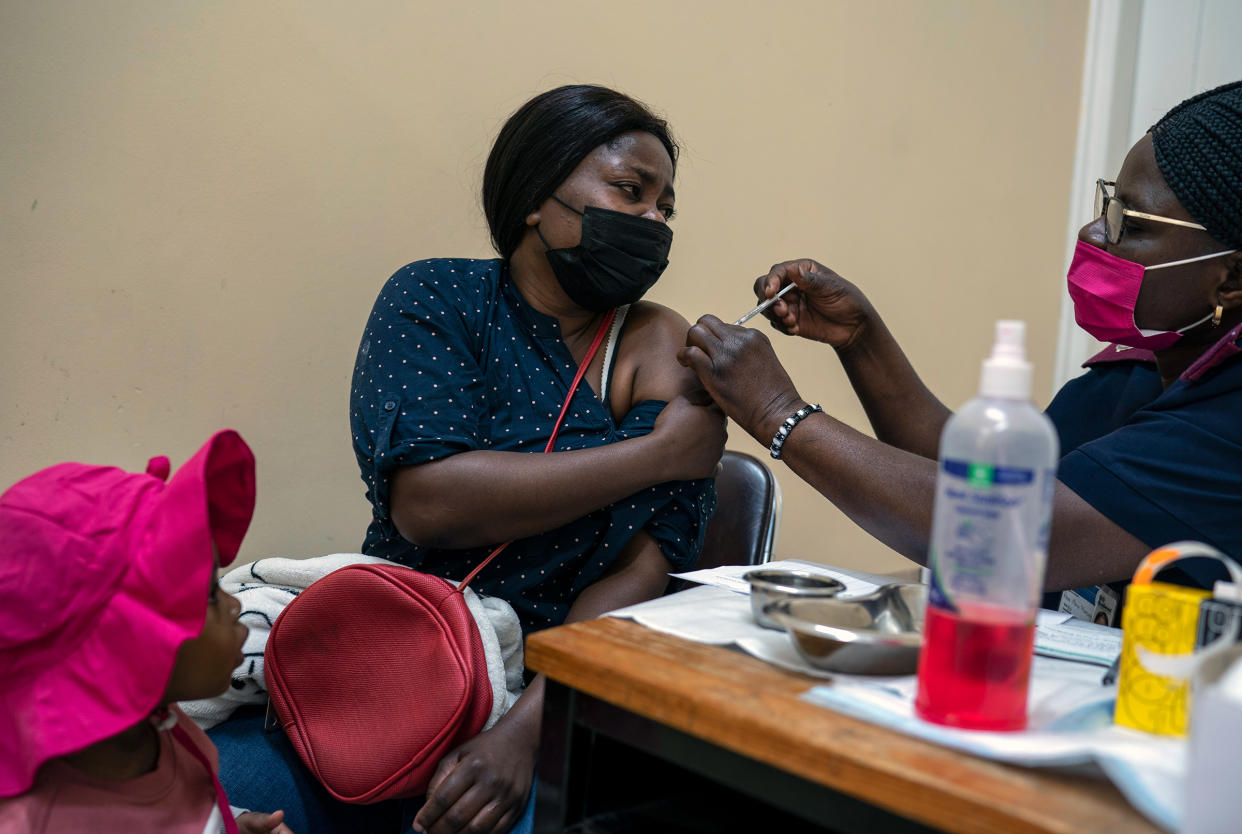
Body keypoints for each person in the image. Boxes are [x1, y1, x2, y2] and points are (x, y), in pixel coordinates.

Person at [212, 84, 726, 834]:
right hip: (380, 663)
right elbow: (430, 503)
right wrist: (655, 456)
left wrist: (527, 735)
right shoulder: (436, 298)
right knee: (197, 800)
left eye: (665, 208)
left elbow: (642, 570)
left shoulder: (655, 343)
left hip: (547, 693)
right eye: (630, 191)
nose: (653, 221)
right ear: (534, 198)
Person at [679, 80, 1242, 598]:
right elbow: (977, 478)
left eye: (1134, 225)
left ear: (1233, 277)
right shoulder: (1137, 374)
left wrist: (779, 412)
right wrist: (860, 338)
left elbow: (1002, 537)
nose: (1094, 232)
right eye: (1108, 205)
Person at [0, 430, 293, 834]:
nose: (236, 605)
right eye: (209, 593)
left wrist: (232, 823)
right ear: (125, 643)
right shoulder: (44, 820)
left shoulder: (158, 727)